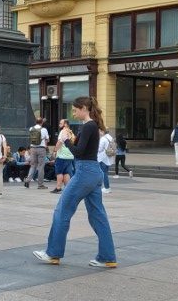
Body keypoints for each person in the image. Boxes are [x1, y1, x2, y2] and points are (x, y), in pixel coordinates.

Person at [33, 95, 117, 269]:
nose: (73, 113)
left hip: (85, 172)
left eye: (75, 109)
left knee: (62, 210)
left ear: (84, 108)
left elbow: (78, 152)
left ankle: (53, 253)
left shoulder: (88, 126)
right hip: (94, 172)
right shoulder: (92, 126)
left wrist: (65, 140)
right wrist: (71, 138)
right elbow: (82, 149)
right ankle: (107, 257)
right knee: (98, 216)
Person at [51, 118, 75, 194]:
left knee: (59, 172)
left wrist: (55, 151)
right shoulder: (71, 132)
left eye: (61, 123)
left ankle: (58, 188)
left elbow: (60, 142)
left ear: (65, 124)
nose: (59, 125)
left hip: (62, 155)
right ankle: (67, 188)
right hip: (70, 156)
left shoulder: (63, 131)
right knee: (66, 172)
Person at [24, 116, 49, 189]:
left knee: (33, 165)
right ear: (42, 122)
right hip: (41, 148)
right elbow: (47, 139)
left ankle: (27, 180)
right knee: (41, 166)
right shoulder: (44, 129)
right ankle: (40, 185)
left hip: (32, 148)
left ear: (35, 122)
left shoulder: (31, 129)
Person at [98, 127, 115, 194]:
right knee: (105, 173)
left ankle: (107, 188)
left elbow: (99, 149)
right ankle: (106, 187)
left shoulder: (103, 139)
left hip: (103, 158)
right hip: (109, 157)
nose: (99, 132)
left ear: (103, 131)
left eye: (100, 131)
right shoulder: (110, 137)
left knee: (104, 173)